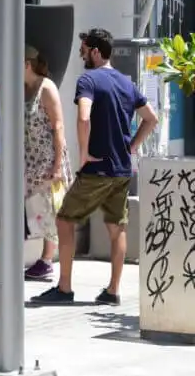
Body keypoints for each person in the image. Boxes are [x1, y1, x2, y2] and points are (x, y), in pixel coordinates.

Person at [33, 29, 158, 305]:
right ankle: (113, 291)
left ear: (96, 52)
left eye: (84, 49)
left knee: (65, 221)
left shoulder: (88, 79)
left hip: (97, 168)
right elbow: (152, 118)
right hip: (122, 170)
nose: (81, 54)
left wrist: (85, 153)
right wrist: (132, 147)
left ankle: (64, 288)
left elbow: (84, 117)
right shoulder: (126, 84)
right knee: (117, 228)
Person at [22, 45, 73, 281]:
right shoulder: (24, 88)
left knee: (50, 208)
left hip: (48, 159)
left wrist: (58, 164)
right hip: (30, 160)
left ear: (27, 64)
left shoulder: (46, 87)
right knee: (37, 209)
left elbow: (58, 125)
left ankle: (47, 259)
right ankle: (43, 259)